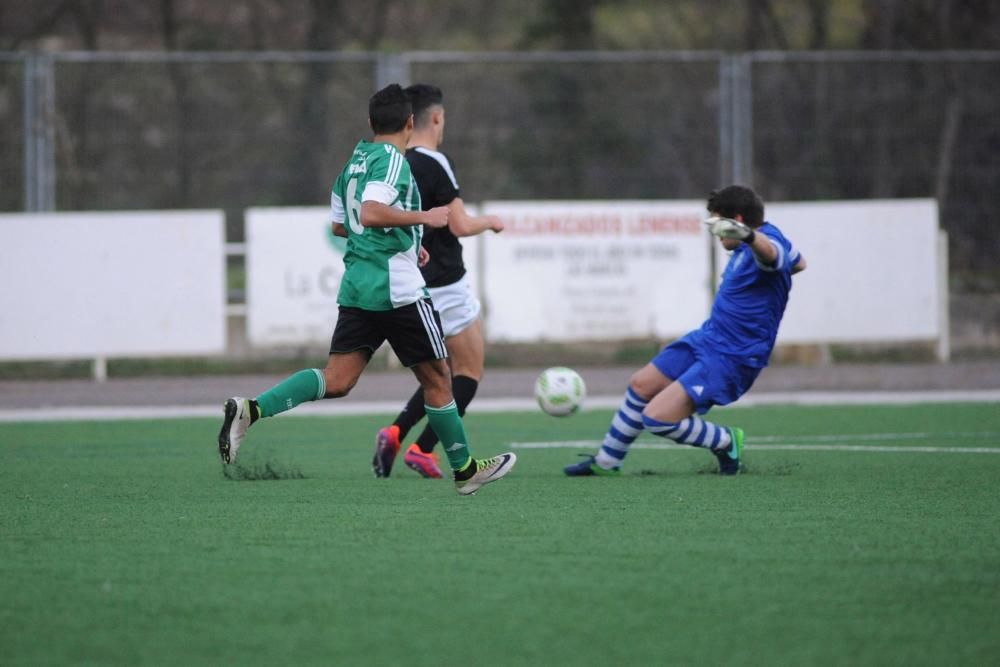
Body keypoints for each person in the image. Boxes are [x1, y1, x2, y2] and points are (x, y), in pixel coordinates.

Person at [218, 83, 516, 496]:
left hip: (359, 286)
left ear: (371, 123)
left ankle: (251, 410)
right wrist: (424, 218)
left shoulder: (354, 161)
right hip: (398, 291)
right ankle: (464, 469)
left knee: (337, 379)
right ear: (411, 123)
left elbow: (344, 225)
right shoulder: (394, 161)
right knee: (439, 378)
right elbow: (372, 212)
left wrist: (406, 240)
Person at [564, 185, 806, 477]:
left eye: (719, 225)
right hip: (708, 338)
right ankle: (607, 462)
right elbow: (799, 262)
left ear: (738, 221)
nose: (716, 234)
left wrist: (750, 237)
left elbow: (771, 254)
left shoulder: (762, 246)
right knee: (642, 384)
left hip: (732, 356)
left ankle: (727, 441)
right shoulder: (760, 241)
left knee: (656, 418)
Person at [371, 83, 505, 480]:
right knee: (467, 372)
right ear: (435, 118)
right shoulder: (436, 162)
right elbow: (460, 225)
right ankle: (422, 448)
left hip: (415, 282)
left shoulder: (395, 163)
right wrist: (490, 222)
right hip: (448, 281)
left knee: (436, 373)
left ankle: (396, 432)